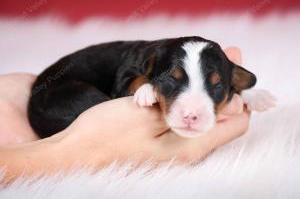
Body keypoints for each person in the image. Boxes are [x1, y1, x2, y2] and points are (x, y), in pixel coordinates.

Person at [0, 47, 250, 183]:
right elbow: (128, 81)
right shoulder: (149, 62)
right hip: (59, 97)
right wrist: (79, 150)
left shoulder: (164, 59)